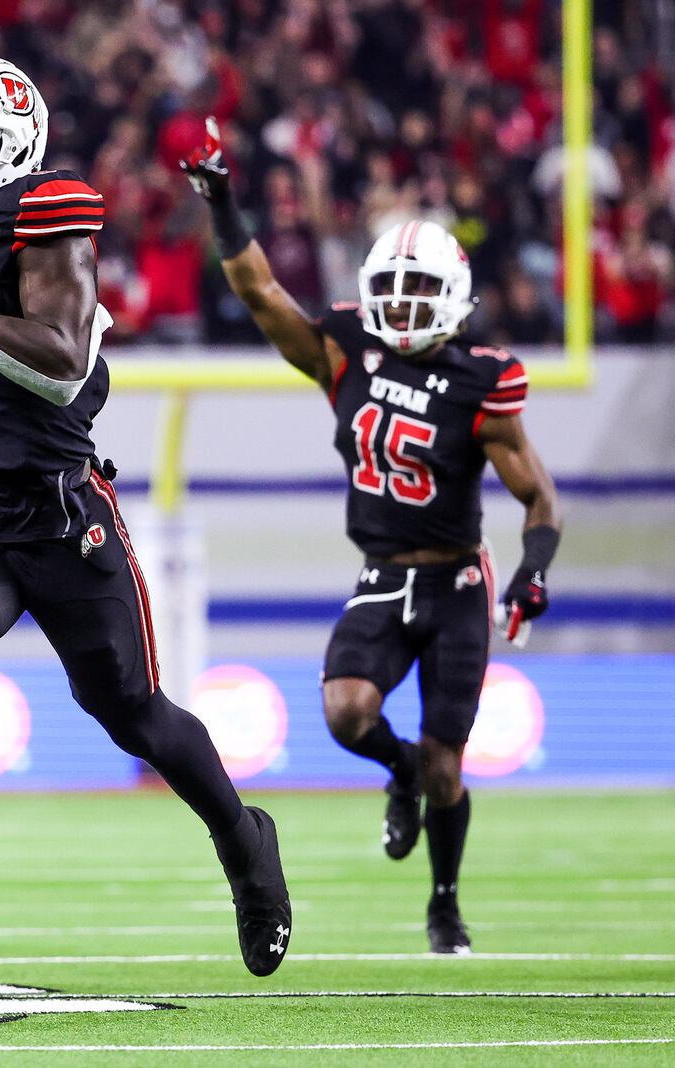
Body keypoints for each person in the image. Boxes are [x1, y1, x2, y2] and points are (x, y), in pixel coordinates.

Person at [0, 56, 291, 980]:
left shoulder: (48, 208)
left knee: (133, 712)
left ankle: (244, 840)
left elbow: (59, 363)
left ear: (8, 147)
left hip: (59, 509)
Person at [181, 119, 561, 953]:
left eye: (422, 292)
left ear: (455, 300)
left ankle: (445, 905)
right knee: (347, 713)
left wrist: (531, 575)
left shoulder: (481, 381)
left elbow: (539, 497)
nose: (404, 306)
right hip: (383, 574)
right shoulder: (350, 349)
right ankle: (396, 775)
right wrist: (225, 202)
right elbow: (259, 292)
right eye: (394, 288)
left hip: (457, 580)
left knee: (449, 767)